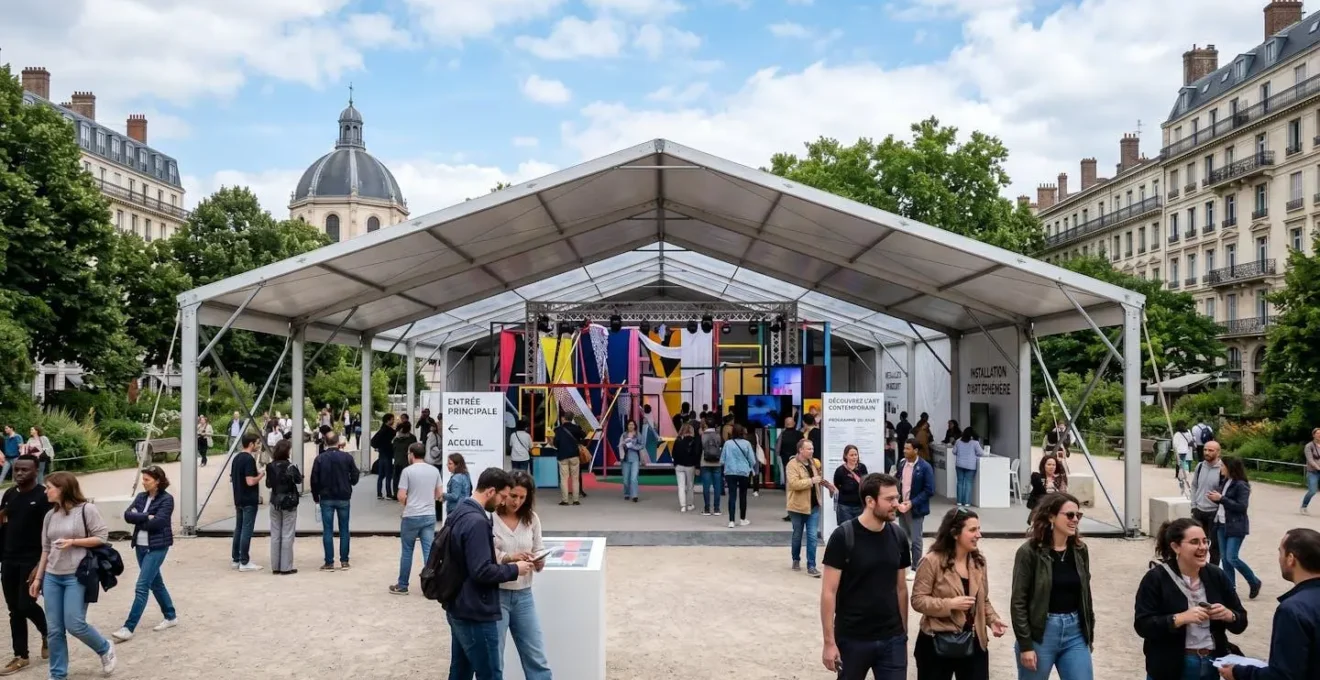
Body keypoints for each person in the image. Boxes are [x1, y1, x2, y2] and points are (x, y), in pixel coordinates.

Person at [443, 469, 534, 680]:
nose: (503, 502)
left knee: (460, 671)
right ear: (491, 491)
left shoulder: (459, 511)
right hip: (475, 608)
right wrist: (515, 569)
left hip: (457, 602)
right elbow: (481, 570)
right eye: (503, 496)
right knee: (490, 673)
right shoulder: (477, 521)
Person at [819, 473, 909, 680]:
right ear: (870, 501)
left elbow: (901, 588)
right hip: (852, 639)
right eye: (889, 499)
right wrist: (829, 643)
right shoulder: (843, 537)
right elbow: (828, 592)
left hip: (892, 639)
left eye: (897, 498)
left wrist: (903, 634)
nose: (896, 504)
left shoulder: (898, 536)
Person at [1134, 517, 1247, 680]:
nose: (1203, 547)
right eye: (1194, 542)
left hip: (1211, 664)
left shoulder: (1217, 575)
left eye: (1205, 541)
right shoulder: (1156, 578)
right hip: (1170, 667)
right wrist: (1179, 619)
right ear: (1176, 547)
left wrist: (1230, 615)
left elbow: (1241, 620)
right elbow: (1142, 625)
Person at [28, 472, 116, 677]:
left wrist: (73, 542)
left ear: (63, 488)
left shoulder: (87, 509)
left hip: (77, 575)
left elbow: (102, 536)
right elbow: (46, 549)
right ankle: (57, 674)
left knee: (75, 624)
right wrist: (38, 578)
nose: (45, 491)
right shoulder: (50, 515)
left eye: (49, 487)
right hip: (52, 576)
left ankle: (104, 648)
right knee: (54, 630)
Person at [912, 507, 1008, 680]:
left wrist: (992, 620)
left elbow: (983, 600)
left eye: (979, 529)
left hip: (974, 641)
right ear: (955, 533)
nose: (979, 535)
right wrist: (950, 604)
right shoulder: (931, 561)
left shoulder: (978, 562)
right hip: (937, 642)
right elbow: (918, 600)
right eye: (972, 530)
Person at [1010, 493, 1095, 680]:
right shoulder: (1029, 552)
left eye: (1078, 515)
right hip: (1041, 632)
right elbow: (1018, 602)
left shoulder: (1080, 550)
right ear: (1051, 517)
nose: (1075, 520)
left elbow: (1086, 595)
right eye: (1070, 515)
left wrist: (1089, 633)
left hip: (1075, 632)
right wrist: (1025, 645)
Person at [1218, 528, 1320, 680]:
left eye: (1280, 552)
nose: (1279, 559)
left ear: (1291, 559)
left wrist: (1238, 673)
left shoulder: (1293, 609)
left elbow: (1283, 675)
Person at [493, 471, 552, 680]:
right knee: (494, 658)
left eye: (522, 497)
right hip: (496, 594)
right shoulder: (491, 518)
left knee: (536, 656)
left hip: (524, 595)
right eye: (513, 496)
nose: (516, 501)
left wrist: (539, 560)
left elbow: (539, 548)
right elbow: (485, 555)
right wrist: (509, 558)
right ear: (504, 493)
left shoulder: (532, 519)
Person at [112, 465, 177, 642]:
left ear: (157, 481)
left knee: (142, 586)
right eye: (143, 479)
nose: (144, 482)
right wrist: (147, 516)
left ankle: (128, 627)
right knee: (156, 582)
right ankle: (170, 615)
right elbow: (127, 515)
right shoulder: (141, 497)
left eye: (147, 480)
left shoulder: (167, 499)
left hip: (157, 547)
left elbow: (158, 523)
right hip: (140, 546)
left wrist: (140, 517)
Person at [0, 455, 49, 673]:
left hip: (32, 560)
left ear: (36, 471)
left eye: (25, 470)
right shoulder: (10, 494)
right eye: (17, 469)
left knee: (26, 604)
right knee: (14, 609)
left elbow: (49, 534)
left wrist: (40, 565)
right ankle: (21, 655)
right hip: (9, 558)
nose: (19, 473)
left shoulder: (43, 497)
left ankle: (48, 633)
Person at [391, 442, 442, 596]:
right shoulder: (434, 470)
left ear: (412, 454)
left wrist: (410, 503)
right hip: (429, 514)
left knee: (407, 551)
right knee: (428, 551)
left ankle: (403, 585)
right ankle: (431, 585)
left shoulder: (407, 471)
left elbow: (401, 495)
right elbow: (439, 494)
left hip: (411, 515)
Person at [310, 430, 359, 571]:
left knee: (327, 530)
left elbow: (314, 480)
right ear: (338, 442)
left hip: (326, 497)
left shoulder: (320, 459)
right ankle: (344, 561)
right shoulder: (347, 457)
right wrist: (350, 482)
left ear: (325, 442)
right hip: (343, 495)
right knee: (344, 529)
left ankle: (329, 562)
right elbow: (355, 475)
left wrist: (316, 497)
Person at [786, 438, 832, 576]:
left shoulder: (813, 463)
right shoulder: (792, 465)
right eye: (809, 449)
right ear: (801, 450)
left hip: (814, 505)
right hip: (797, 506)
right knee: (797, 535)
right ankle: (795, 558)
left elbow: (819, 478)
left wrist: (829, 486)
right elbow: (793, 484)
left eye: (812, 448)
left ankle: (811, 565)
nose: (812, 451)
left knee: (812, 536)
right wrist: (811, 481)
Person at [895, 438, 935, 579]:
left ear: (916, 450)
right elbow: (898, 482)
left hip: (915, 508)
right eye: (904, 448)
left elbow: (929, 490)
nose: (904, 451)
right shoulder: (902, 464)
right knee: (903, 538)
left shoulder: (925, 467)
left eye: (908, 449)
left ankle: (916, 568)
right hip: (902, 507)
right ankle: (904, 565)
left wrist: (912, 503)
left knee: (916, 540)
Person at [265, 439, 302, 576]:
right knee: (287, 534)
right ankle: (286, 567)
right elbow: (298, 480)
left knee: (275, 534)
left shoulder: (270, 466)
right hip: (289, 502)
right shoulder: (290, 466)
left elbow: (268, 484)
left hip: (275, 500)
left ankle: (275, 566)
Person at [230, 432, 264, 572]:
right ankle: (244, 561)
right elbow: (250, 481)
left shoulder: (236, 458)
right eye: (257, 443)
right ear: (251, 444)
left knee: (239, 528)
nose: (258, 445)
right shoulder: (249, 459)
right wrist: (261, 474)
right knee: (246, 530)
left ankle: (236, 559)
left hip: (238, 497)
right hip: (249, 499)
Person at [1190, 441, 1225, 567]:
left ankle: (1212, 570)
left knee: (1214, 546)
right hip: (1198, 510)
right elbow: (1194, 486)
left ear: (1218, 452)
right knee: (1194, 543)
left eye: (1211, 450)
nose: (1206, 452)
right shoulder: (1200, 466)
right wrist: (1193, 505)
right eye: (1205, 450)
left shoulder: (1222, 470)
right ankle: (1197, 567)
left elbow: (1225, 492)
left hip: (1214, 512)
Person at [721, 424, 758, 529]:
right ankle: (742, 519)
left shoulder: (727, 443)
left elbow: (722, 459)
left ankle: (731, 521)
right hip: (743, 472)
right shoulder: (747, 444)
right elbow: (752, 460)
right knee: (743, 495)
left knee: (732, 496)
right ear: (743, 432)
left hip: (730, 472)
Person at [832, 445, 868, 526]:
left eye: (856, 455)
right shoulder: (840, 470)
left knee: (860, 529)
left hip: (860, 505)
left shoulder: (862, 468)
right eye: (851, 455)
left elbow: (866, 483)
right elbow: (836, 485)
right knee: (846, 529)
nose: (854, 457)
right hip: (844, 506)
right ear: (846, 456)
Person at [553, 414, 583, 506]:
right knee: (575, 478)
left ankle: (565, 500)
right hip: (574, 455)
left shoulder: (558, 430)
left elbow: (556, 443)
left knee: (564, 479)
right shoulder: (577, 428)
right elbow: (583, 436)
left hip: (563, 456)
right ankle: (576, 500)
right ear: (572, 418)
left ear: (564, 418)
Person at [671, 422, 700, 513]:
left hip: (679, 466)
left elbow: (673, 453)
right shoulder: (694, 440)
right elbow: (696, 454)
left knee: (681, 486)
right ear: (691, 430)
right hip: (690, 466)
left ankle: (683, 506)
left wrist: (675, 463)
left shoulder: (678, 440)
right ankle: (690, 504)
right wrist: (697, 466)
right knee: (690, 485)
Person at [953, 427, 984, 508]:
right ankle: (967, 502)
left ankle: (959, 502)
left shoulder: (958, 441)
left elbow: (954, 451)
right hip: (970, 465)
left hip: (959, 464)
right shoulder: (975, 443)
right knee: (968, 483)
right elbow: (981, 453)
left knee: (960, 482)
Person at [699, 416, 724, 516]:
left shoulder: (702, 435)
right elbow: (721, 446)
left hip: (705, 462)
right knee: (717, 486)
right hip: (717, 462)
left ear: (706, 424)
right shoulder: (718, 435)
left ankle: (707, 509)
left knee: (706, 486)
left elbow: (700, 448)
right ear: (715, 425)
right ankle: (717, 509)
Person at [371, 413, 397, 500]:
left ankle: (379, 493)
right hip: (387, 454)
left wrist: (378, 447)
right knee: (388, 475)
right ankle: (388, 494)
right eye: (392, 419)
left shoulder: (382, 429)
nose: (393, 421)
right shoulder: (388, 430)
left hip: (381, 454)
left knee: (381, 475)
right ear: (388, 420)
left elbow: (373, 441)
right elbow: (394, 434)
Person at [391, 421, 417, 502]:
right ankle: (407, 495)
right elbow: (415, 450)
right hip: (407, 462)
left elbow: (393, 448)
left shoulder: (396, 438)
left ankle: (396, 494)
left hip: (397, 461)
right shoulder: (412, 438)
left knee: (396, 478)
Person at [619, 420, 643, 502]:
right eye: (629, 424)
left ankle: (634, 495)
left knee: (634, 478)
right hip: (625, 459)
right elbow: (619, 445)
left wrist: (633, 446)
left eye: (632, 424)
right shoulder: (624, 435)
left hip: (635, 458)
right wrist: (623, 444)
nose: (631, 426)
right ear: (627, 426)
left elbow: (642, 445)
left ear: (635, 426)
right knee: (626, 479)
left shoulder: (638, 434)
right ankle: (627, 493)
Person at [1302, 428, 1320, 515]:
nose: (1319, 435)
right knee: (1312, 491)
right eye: (1318, 433)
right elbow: (1310, 460)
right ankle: (1304, 506)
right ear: (1313, 435)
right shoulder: (1309, 446)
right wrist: (1318, 468)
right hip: (1313, 472)